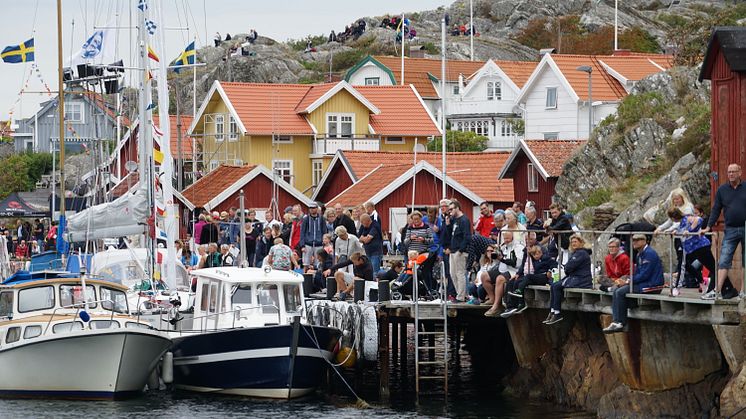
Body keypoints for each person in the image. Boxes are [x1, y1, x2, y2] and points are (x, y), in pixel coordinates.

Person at [603, 234, 664, 333]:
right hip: (643, 283)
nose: (634, 242)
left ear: (644, 241)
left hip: (652, 285)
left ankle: (620, 322)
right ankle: (616, 321)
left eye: (637, 240)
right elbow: (638, 273)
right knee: (617, 290)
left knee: (620, 292)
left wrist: (628, 281)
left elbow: (645, 274)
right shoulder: (639, 253)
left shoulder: (649, 254)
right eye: (633, 240)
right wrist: (627, 281)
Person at [701, 163, 746, 299]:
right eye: (729, 172)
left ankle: (743, 292)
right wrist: (708, 226)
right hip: (730, 229)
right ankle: (717, 291)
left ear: (740, 173)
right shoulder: (722, 190)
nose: (731, 174)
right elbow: (716, 209)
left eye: (733, 171)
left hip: (745, 227)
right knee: (724, 259)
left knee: (745, 261)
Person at [545, 234, 593, 325]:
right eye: (572, 242)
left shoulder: (581, 253)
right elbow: (569, 267)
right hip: (575, 277)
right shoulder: (576, 253)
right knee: (553, 285)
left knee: (556, 286)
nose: (573, 243)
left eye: (575, 242)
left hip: (582, 280)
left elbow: (569, 267)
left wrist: (567, 268)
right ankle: (552, 310)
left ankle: (557, 313)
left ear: (581, 243)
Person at [502, 244, 557, 317]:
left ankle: (519, 292)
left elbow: (554, 264)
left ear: (541, 253)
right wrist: (518, 273)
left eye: (538, 254)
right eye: (534, 255)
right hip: (536, 276)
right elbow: (525, 261)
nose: (536, 256)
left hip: (544, 277)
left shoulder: (546, 258)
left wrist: (550, 271)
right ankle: (517, 304)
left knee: (528, 277)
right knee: (516, 282)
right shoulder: (534, 260)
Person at [672, 208, 716, 293]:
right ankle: (703, 282)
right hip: (692, 249)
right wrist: (674, 231)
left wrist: (690, 230)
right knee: (684, 263)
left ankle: (714, 288)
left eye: (696, 213)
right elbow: (678, 229)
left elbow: (699, 220)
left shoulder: (688, 218)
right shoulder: (680, 223)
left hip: (701, 246)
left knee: (713, 268)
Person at [444, 199, 472, 302]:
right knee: (452, 274)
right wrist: (447, 224)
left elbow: (467, 236)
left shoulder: (464, 220)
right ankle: (461, 294)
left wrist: (461, 250)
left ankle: (461, 296)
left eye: (451, 209)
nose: (450, 211)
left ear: (457, 208)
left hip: (460, 251)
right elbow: (450, 234)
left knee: (460, 273)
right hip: (453, 250)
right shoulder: (454, 220)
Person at [300, 203, 325, 267]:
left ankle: (317, 275)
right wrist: (302, 245)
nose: (311, 210)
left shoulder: (321, 218)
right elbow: (302, 232)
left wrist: (324, 242)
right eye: (310, 208)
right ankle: (305, 275)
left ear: (317, 208)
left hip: (319, 243)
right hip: (308, 243)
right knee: (306, 262)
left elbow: (324, 231)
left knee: (319, 262)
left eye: (313, 208)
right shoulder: (306, 219)